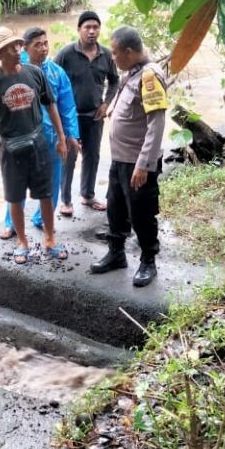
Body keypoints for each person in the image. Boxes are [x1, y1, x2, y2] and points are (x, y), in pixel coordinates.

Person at [0, 26, 68, 265]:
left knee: (45, 195)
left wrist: (62, 138)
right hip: (10, 148)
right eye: (12, 47)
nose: (18, 49)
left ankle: (50, 238)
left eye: (18, 45)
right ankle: (22, 241)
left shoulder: (34, 73)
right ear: (1, 52)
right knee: (14, 198)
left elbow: (51, 105)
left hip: (39, 143)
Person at [90, 26, 168, 288]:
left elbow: (156, 123)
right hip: (121, 159)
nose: (113, 59)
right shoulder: (132, 73)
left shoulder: (149, 76)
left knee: (142, 212)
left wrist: (144, 164)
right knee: (116, 206)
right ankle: (116, 253)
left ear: (130, 51)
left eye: (115, 53)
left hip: (137, 162)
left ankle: (148, 261)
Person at [0, 27, 81, 240]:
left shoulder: (56, 72)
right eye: (38, 45)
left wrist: (70, 135)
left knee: (52, 181)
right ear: (25, 48)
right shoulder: (13, 71)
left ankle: (42, 219)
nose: (44, 48)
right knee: (16, 184)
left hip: (50, 137)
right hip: (21, 138)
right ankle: (11, 224)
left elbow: (67, 106)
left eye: (46, 43)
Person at [54, 10, 119, 216]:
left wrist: (106, 103)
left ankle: (88, 195)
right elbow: (51, 79)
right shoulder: (66, 53)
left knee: (92, 156)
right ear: (79, 30)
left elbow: (115, 80)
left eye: (95, 27)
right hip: (70, 117)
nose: (92, 31)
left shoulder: (106, 54)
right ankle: (65, 200)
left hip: (95, 115)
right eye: (87, 27)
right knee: (69, 157)